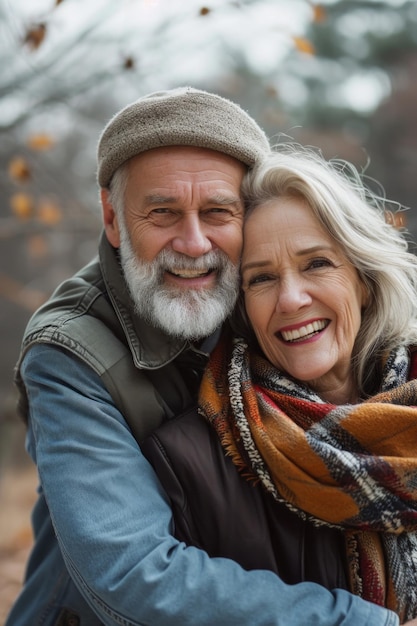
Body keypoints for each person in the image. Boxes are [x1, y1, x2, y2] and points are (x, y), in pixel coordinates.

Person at [5, 87, 401, 626]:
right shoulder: (71, 353)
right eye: (162, 212)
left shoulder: (258, 300)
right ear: (114, 218)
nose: (193, 243)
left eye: (218, 211)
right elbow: (133, 574)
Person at [142, 145, 417, 626]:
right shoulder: (189, 464)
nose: (290, 299)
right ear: (241, 305)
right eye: (262, 278)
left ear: (364, 280)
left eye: (316, 264)